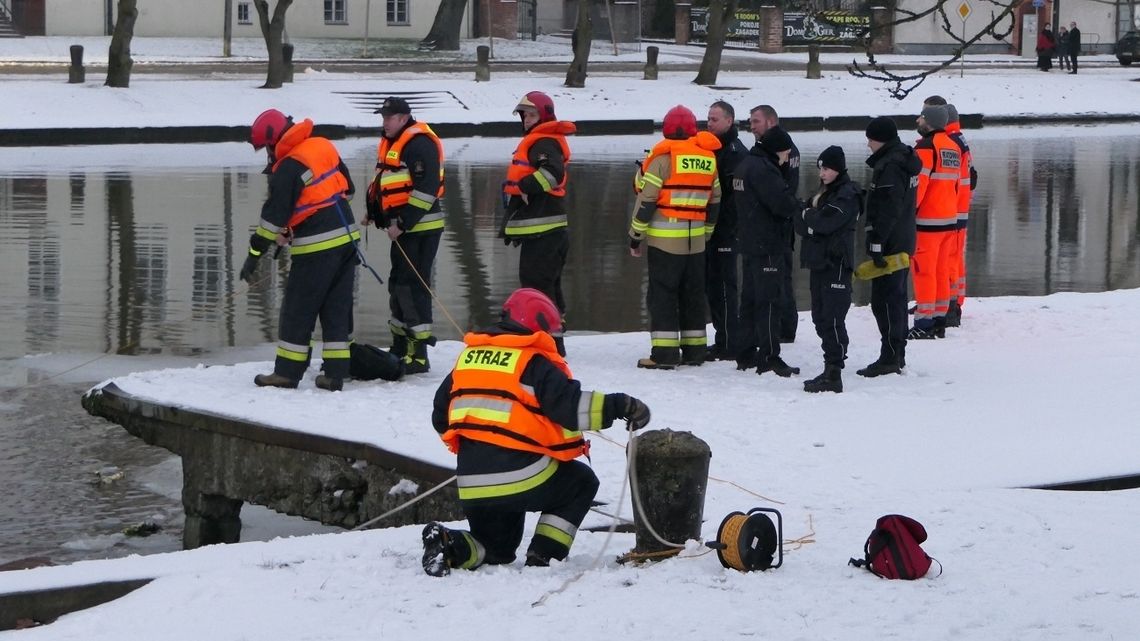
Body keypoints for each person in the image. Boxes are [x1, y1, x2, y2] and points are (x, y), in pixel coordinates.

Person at [422, 288, 652, 576]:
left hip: (472, 482)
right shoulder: (533, 363)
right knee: (581, 483)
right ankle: (544, 556)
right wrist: (622, 405)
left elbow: (440, 417)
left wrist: (477, 447)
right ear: (538, 327)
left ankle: (448, 545)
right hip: (523, 475)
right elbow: (571, 408)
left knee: (495, 550)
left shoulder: (467, 360)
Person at [241, 108, 359, 392]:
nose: (267, 155)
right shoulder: (321, 145)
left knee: (298, 308)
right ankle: (335, 374)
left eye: (266, 149)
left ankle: (287, 373)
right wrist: (297, 224)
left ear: (273, 142)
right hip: (346, 238)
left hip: (317, 246)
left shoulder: (288, 167)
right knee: (336, 308)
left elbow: (271, 221)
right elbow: (348, 189)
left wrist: (253, 256)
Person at [628, 105, 722, 369]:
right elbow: (715, 200)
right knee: (693, 294)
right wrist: (707, 233)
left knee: (663, 295)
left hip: (665, 241)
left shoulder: (661, 159)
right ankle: (695, 352)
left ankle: (665, 355)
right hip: (696, 243)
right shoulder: (708, 159)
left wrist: (635, 236)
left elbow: (646, 201)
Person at [364, 96, 445, 375]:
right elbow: (386, 182)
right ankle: (400, 345)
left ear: (403, 118)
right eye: (383, 117)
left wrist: (404, 223)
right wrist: (374, 213)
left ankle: (418, 354)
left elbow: (427, 188)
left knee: (413, 287)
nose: (384, 122)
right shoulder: (393, 143)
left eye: (389, 117)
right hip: (401, 228)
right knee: (398, 284)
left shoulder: (418, 143)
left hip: (420, 228)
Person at [501, 91, 577, 355]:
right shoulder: (543, 140)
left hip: (545, 232)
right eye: (524, 115)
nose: (526, 120)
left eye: (531, 115)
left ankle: (548, 344)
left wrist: (525, 185)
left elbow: (553, 174)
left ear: (543, 115)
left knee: (537, 288)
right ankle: (553, 341)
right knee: (547, 286)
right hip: (546, 232)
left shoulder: (543, 142)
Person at [733, 126, 802, 377]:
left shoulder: (745, 165)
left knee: (749, 300)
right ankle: (770, 356)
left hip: (750, 243)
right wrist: (801, 205)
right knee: (770, 301)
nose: (787, 158)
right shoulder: (765, 170)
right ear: (777, 150)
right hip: (769, 243)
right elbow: (782, 204)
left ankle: (745, 352)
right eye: (784, 154)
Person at [856, 116, 921, 378]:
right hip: (904, 239)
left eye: (869, 140)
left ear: (878, 139)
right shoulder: (904, 159)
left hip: (892, 244)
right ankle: (896, 353)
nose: (868, 145)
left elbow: (887, 209)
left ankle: (890, 356)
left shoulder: (891, 167)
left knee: (885, 302)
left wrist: (876, 240)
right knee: (893, 300)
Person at [793, 146, 860, 393]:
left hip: (836, 264)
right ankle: (829, 368)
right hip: (819, 263)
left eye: (827, 169)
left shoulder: (847, 194)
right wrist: (811, 221)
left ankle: (834, 372)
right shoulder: (824, 193)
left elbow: (825, 223)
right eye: (820, 168)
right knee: (820, 317)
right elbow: (802, 222)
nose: (822, 173)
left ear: (838, 169)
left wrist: (811, 219)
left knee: (832, 318)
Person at [747, 105, 801, 344]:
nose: (751, 126)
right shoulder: (769, 149)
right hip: (776, 225)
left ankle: (784, 328)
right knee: (780, 278)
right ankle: (784, 327)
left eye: (756, 121)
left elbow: (783, 193)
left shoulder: (783, 150)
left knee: (780, 279)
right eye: (751, 121)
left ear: (771, 122)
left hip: (778, 226)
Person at [910, 105, 961, 340]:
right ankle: (940, 318)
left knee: (924, 272)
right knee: (941, 271)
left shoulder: (926, 147)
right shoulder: (952, 146)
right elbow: (955, 184)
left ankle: (924, 322)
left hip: (928, 221)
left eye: (922, 117)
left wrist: (909, 212)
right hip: (949, 219)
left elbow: (919, 186)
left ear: (928, 122)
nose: (918, 119)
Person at [703, 100, 749, 362]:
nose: (709, 123)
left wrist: (728, 229)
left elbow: (734, 199)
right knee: (714, 285)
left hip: (726, 231)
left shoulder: (734, 152)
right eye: (708, 119)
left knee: (724, 286)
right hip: (714, 229)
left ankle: (730, 341)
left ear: (729, 121)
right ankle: (724, 338)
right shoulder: (714, 149)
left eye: (714, 119)